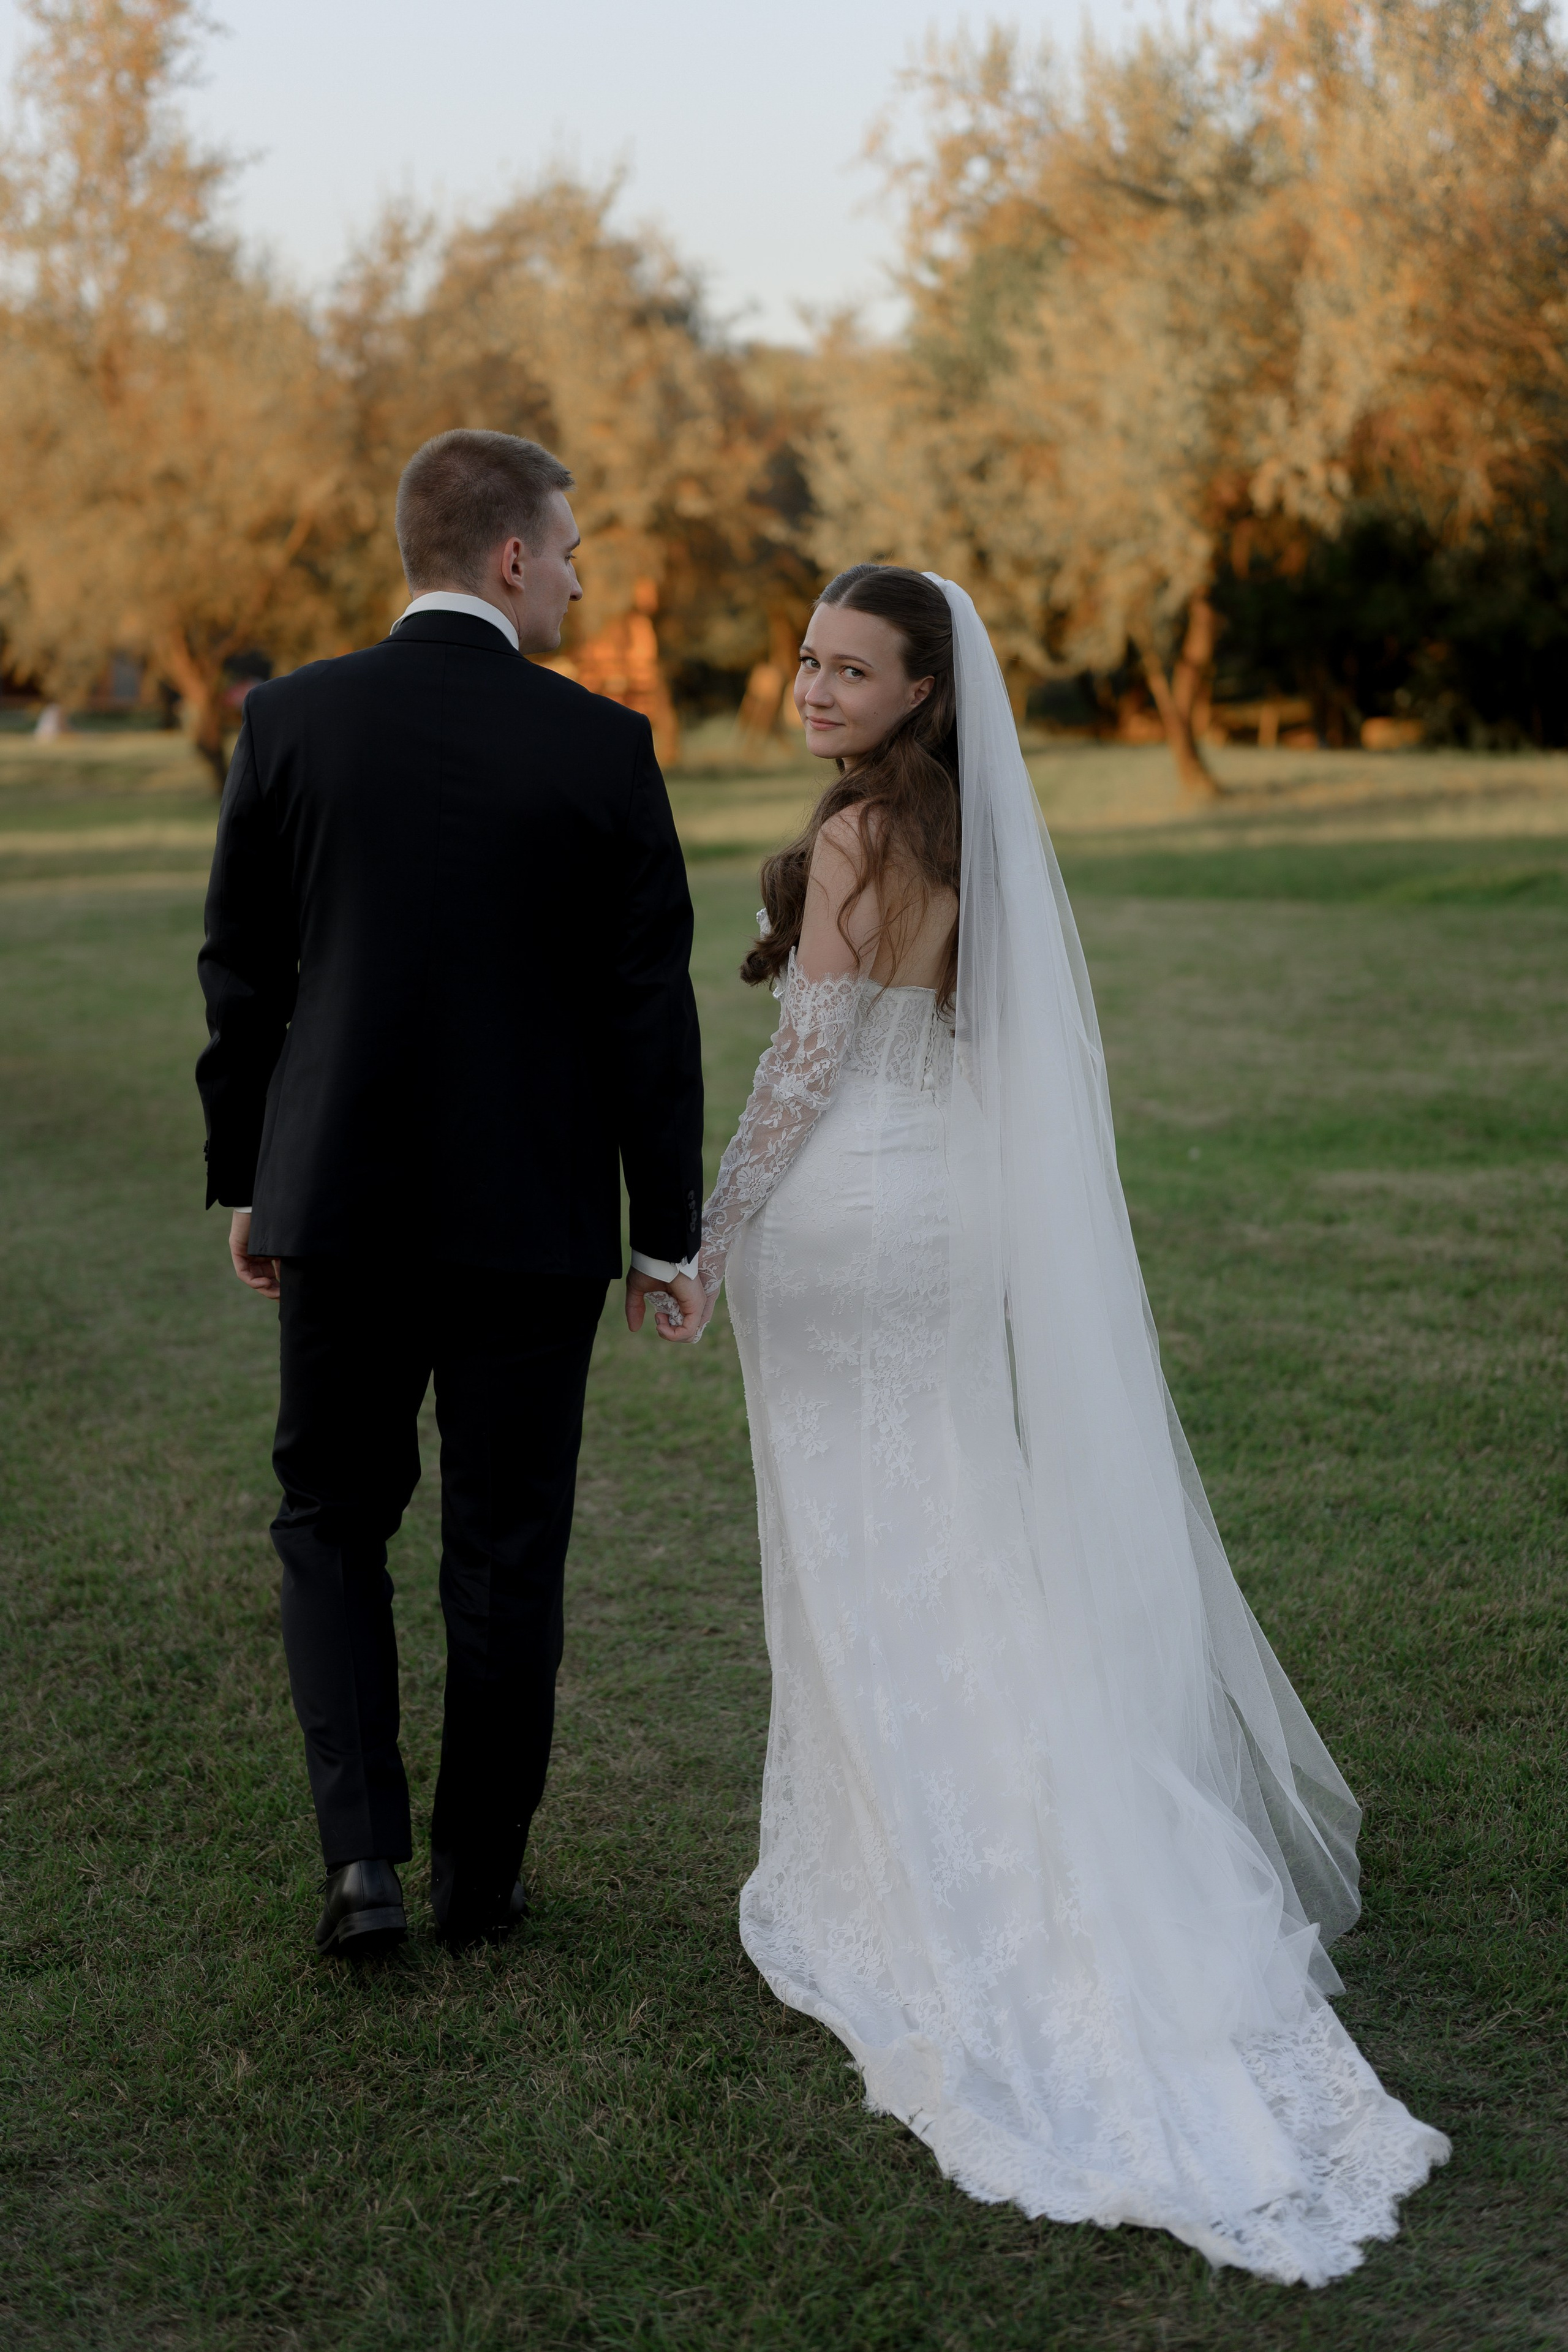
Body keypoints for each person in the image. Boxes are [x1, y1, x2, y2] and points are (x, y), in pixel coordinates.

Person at [696, 565, 1449, 2284]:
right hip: (946, 1223)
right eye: (807, 661)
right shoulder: (970, 839)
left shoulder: (854, 847)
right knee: (954, 1526)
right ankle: (1032, 1816)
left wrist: (705, 1241)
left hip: (842, 1224)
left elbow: (801, 1069)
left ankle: (902, 1862)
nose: (814, 689)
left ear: (919, 694)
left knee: (861, 1549)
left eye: (851, 670)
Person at [196, 429, 707, 1959]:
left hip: (336, 1203)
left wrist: (250, 1180)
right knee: (505, 1546)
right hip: (530, 1221)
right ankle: (478, 1877)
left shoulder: (290, 721)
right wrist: (662, 1228)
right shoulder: (602, 746)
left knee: (331, 1521)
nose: (574, 574)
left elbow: (243, 971)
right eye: (566, 550)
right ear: (506, 559)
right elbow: (646, 1008)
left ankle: (361, 1867)